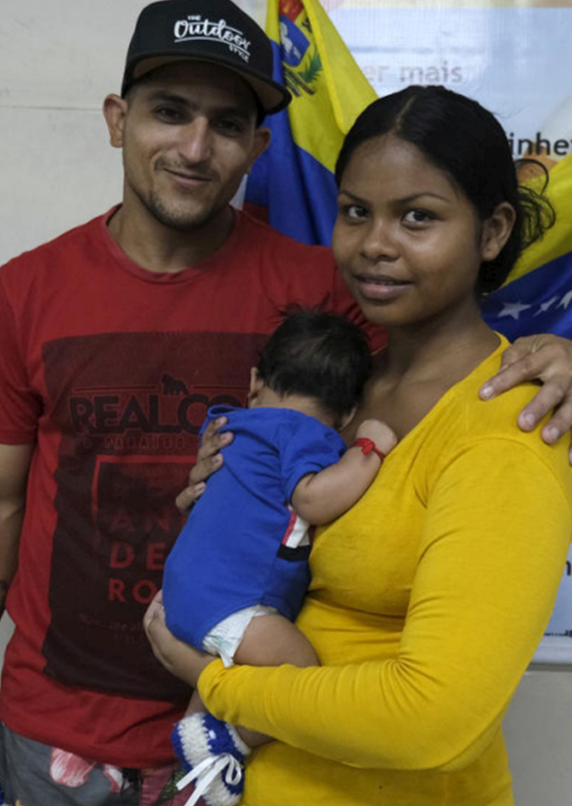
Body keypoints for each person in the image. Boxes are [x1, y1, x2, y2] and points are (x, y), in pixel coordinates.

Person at [0, 0, 572, 806]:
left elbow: (450, 369)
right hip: (58, 730)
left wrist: (565, 353)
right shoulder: (30, 290)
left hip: (234, 736)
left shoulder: (325, 295)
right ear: (117, 118)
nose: (195, 148)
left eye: (227, 124)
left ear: (258, 147)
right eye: (169, 111)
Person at [145, 85, 572, 806]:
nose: (376, 244)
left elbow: (430, 719)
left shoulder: (511, 432)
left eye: (418, 217)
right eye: (357, 212)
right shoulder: (343, 396)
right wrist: (226, 495)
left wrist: (215, 679)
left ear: (494, 231)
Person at [161, 309, 396, 806]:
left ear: (254, 382)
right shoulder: (306, 435)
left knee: (228, 671)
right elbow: (312, 498)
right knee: (300, 671)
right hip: (236, 600)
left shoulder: (231, 426)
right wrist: (369, 450)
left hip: (186, 589)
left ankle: (194, 745)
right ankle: (231, 745)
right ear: (348, 411)